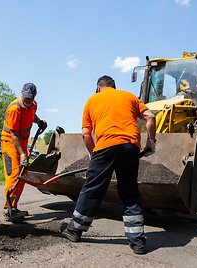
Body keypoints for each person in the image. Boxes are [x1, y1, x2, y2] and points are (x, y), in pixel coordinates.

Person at [60, 75, 156, 255]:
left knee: (93, 188)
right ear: (114, 87)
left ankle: (74, 230)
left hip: (105, 147)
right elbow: (150, 116)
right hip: (130, 146)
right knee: (129, 191)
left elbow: (86, 135)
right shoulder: (129, 96)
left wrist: (93, 153)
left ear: (98, 88)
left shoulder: (92, 100)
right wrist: (151, 142)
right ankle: (137, 242)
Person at [0, 82, 47, 222]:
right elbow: (13, 135)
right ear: (22, 94)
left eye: (30, 98)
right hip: (10, 144)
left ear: (34, 97)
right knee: (14, 175)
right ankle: (7, 210)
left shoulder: (33, 105)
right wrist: (22, 154)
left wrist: (39, 122)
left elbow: (32, 115)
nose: (28, 100)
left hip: (22, 144)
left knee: (23, 175)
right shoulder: (14, 109)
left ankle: (13, 207)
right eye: (26, 97)